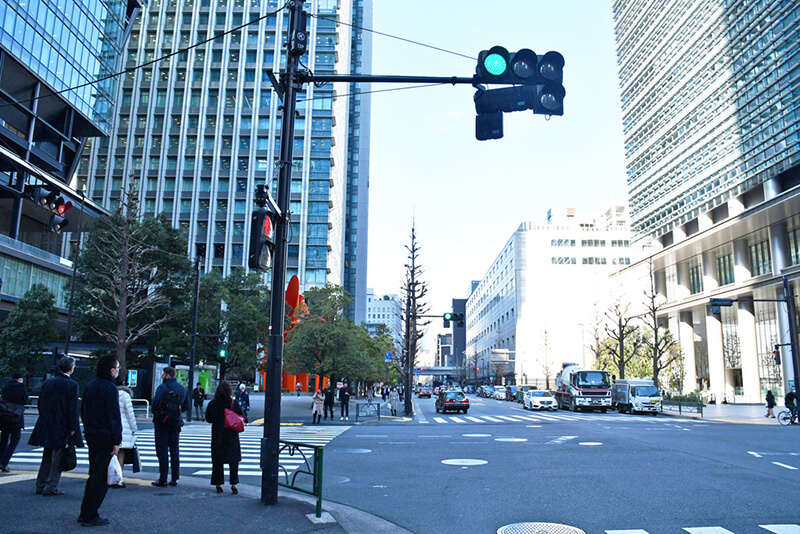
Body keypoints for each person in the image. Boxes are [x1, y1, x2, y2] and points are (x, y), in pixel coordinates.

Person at [28, 355, 83, 496]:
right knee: (57, 457)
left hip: (47, 422)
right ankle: (51, 486)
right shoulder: (72, 385)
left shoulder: (48, 382)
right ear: (71, 368)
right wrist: (73, 428)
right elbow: (72, 409)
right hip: (62, 424)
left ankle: (40, 484)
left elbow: (41, 403)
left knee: (46, 455)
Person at [77, 356, 123, 527]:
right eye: (117, 367)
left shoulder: (91, 385)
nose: (118, 370)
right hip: (105, 436)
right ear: (112, 371)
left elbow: (83, 411)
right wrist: (116, 440)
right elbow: (114, 416)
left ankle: (86, 512)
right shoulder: (110, 388)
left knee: (94, 473)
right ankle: (90, 514)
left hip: (92, 434)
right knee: (100, 477)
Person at [151, 366, 189, 487]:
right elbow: (186, 406)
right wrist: (176, 413)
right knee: (174, 449)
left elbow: (155, 404)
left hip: (162, 421)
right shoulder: (183, 388)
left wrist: (160, 413)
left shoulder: (162, 387)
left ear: (167, 376)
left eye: (163, 375)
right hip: (176, 421)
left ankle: (163, 478)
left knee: (162, 449)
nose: (162, 376)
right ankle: (175, 478)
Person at [205, 381, 243, 494]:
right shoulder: (233, 403)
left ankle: (218, 483)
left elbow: (208, 419)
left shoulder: (213, 404)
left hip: (218, 435)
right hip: (231, 435)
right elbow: (240, 416)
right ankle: (234, 484)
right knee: (233, 460)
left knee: (217, 461)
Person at [0, 372, 28, 472]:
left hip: (4, 416)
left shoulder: (5, 387)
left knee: (3, 440)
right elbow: (25, 400)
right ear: (20, 379)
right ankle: (4, 462)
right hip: (16, 416)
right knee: (14, 440)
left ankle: (1, 460)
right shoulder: (21, 387)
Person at [112, 380, 138, 488]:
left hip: (111, 425)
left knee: (112, 453)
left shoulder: (111, 392)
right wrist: (134, 428)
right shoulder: (125, 395)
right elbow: (130, 413)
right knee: (121, 453)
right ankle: (119, 477)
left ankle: (109, 476)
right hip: (124, 426)